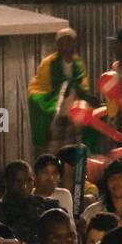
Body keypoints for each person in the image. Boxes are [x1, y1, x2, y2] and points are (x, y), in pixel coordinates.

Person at [27, 27, 87, 155]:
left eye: (69, 42)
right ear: (57, 44)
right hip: (55, 115)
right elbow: (39, 87)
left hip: (74, 116)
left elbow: (83, 86)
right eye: (62, 42)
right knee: (53, 151)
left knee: (74, 149)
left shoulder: (78, 63)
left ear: (74, 43)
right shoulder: (49, 63)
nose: (66, 45)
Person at [0, 160, 57, 244]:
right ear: (6, 182)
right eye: (17, 181)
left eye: (28, 180)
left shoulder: (47, 205)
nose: (24, 186)